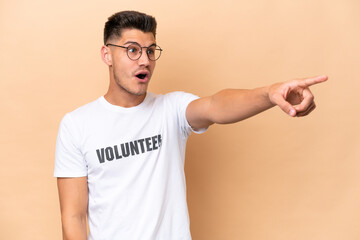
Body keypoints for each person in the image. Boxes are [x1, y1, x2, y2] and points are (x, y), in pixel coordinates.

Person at [54, 10, 327, 240]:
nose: (145, 60)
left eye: (150, 51)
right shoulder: (77, 125)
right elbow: (73, 217)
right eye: (132, 50)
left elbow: (217, 106)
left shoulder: (171, 109)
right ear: (107, 55)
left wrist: (269, 93)